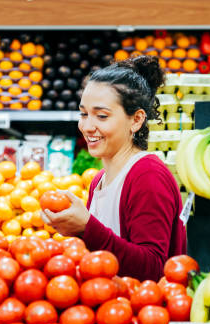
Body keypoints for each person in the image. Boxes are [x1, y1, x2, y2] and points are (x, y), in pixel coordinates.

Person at [41, 55, 186, 281]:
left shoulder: (147, 175)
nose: (88, 126)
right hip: (112, 309)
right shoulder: (99, 181)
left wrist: (87, 228)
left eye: (101, 116)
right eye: (83, 114)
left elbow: (153, 269)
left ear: (136, 120)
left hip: (146, 312)